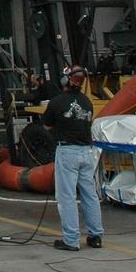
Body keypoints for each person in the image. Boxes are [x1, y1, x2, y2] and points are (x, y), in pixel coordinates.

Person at [42, 64, 105, 252]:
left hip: (67, 152)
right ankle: (95, 236)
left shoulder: (56, 102)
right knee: (90, 195)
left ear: (65, 80)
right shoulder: (87, 102)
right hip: (87, 152)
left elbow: (46, 126)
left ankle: (71, 240)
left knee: (67, 197)